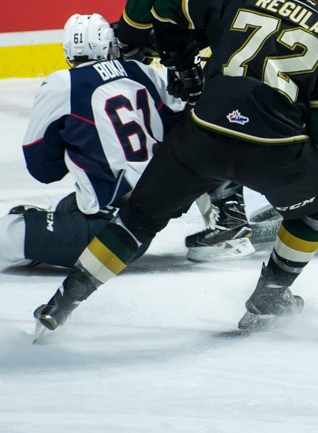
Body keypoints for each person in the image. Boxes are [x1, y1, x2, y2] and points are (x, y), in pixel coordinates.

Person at [32, 0, 318, 337]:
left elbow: (169, 2)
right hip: (273, 154)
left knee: (138, 218)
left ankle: (62, 302)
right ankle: (270, 296)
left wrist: (182, 60)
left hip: (201, 137)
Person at [116, 0, 296, 261]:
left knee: (212, 113)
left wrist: (127, 38)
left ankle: (230, 222)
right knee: (289, 109)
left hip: (256, 30)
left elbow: (142, 8)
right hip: (299, 23)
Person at [0, 14, 184, 269]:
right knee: (69, 205)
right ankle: (227, 220)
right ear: (110, 47)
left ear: (67, 51)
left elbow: (43, 169)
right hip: (148, 218)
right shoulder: (142, 72)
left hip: (107, 235)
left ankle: (44, 242)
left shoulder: (62, 84)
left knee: (5, 232)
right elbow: (180, 128)